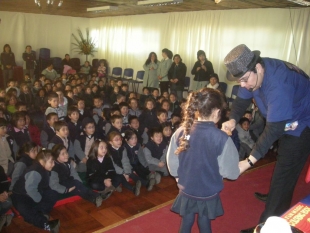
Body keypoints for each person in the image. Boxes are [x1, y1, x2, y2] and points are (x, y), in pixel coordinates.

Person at [222, 44, 310, 233]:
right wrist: (231, 120)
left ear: (259, 68)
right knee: (282, 171)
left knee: (284, 173)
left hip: (303, 123)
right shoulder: (250, 74)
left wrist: (248, 161)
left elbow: (273, 130)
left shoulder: (278, 83)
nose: (243, 86)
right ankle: (277, 196)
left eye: (245, 80)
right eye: (240, 82)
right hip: (285, 118)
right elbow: (241, 100)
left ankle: (264, 228)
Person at [167, 88, 239, 233]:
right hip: (208, 192)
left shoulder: (181, 131)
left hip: (187, 189)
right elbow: (231, 173)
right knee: (204, 221)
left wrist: (177, 176)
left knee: (186, 221)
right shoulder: (222, 138)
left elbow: (172, 162)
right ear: (217, 111)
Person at [11, 149, 60, 232]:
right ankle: (45, 224)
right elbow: (30, 189)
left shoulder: (44, 169)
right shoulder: (35, 171)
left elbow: (44, 186)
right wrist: (40, 200)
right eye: (51, 162)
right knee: (26, 211)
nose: (53, 164)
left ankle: (40, 212)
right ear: (42, 160)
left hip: (35, 194)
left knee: (53, 194)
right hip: (21, 195)